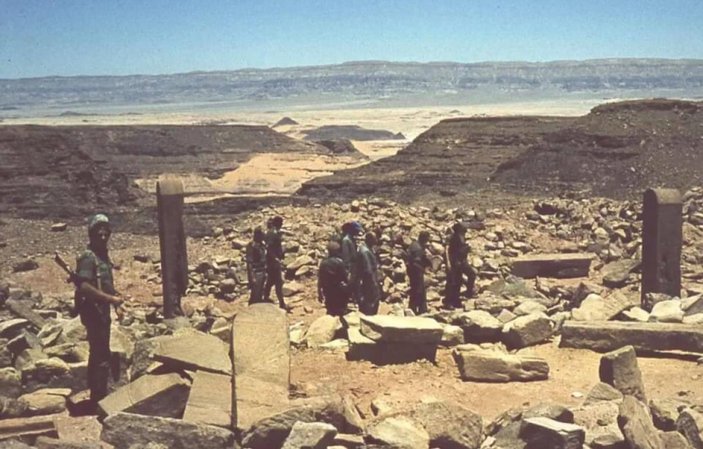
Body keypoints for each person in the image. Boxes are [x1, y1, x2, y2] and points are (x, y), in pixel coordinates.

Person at [73, 214, 124, 409]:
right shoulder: (88, 257)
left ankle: (98, 395)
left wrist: (116, 301)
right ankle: (99, 399)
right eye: (99, 233)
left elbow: (105, 284)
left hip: (102, 310)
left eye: (106, 233)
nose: (103, 237)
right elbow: (85, 287)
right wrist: (111, 299)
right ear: (91, 234)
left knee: (100, 352)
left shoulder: (102, 255)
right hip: (93, 311)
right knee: (100, 354)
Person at [443, 222, 476, 309]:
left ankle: (462, 297)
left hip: (461, 262)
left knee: (464, 278)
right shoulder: (454, 238)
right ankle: (449, 302)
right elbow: (451, 251)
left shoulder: (462, 237)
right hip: (455, 263)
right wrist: (449, 263)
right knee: (453, 282)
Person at [264, 216, 290, 311]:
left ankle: (265, 296)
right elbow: (269, 248)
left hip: (270, 261)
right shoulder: (273, 233)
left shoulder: (270, 232)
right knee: (278, 282)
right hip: (273, 261)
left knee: (271, 280)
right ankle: (282, 303)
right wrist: (275, 259)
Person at [317, 241, 349, 316]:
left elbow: (320, 279)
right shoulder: (339, 263)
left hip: (327, 291)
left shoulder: (323, 263)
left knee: (330, 310)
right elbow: (344, 278)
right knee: (340, 311)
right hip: (338, 292)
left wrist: (319, 292)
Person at [356, 232, 382, 315]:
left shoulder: (368, 249)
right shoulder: (365, 251)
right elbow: (368, 270)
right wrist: (374, 283)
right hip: (368, 282)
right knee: (370, 303)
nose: (376, 240)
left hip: (367, 281)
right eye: (374, 239)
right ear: (370, 240)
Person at [407, 231, 431, 315]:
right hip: (416, 272)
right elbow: (416, 262)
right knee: (419, 290)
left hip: (411, 271)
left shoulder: (414, 244)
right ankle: (420, 309)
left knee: (415, 290)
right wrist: (422, 270)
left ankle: (415, 308)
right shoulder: (418, 248)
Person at [341, 221, 363, 303]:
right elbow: (346, 255)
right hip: (350, 265)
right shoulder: (346, 240)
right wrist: (347, 268)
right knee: (350, 283)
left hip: (354, 265)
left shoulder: (351, 239)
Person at [245, 227, 267, 304]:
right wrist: (252, 276)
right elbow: (249, 262)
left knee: (260, 291)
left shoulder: (262, 245)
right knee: (255, 293)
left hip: (262, 270)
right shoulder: (251, 246)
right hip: (256, 272)